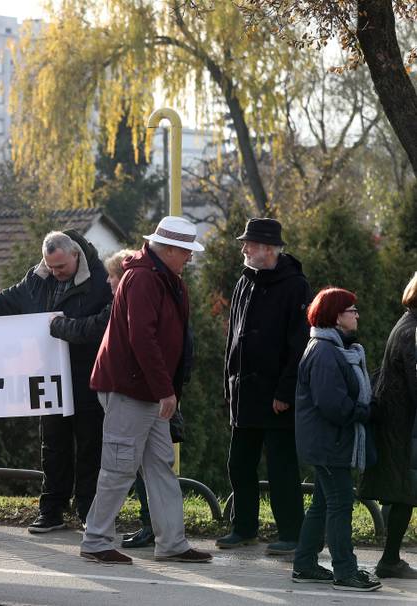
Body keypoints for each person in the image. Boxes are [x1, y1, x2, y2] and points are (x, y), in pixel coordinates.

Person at [0, 230, 112, 533]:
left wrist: (63, 327)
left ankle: (89, 512)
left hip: (87, 379)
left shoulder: (102, 283)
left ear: (76, 255)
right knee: (52, 448)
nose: (55, 273)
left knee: (89, 448)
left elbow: (102, 327)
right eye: (50, 267)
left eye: (61, 267)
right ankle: (52, 511)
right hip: (49, 379)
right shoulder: (36, 280)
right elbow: (2, 302)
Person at [80, 216, 212, 565]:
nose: (190, 257)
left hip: (145, 389)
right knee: (120, 466)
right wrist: (165, 390)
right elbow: (143, 338)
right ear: (168, 249)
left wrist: (165, 390)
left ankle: (172, 543)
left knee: (159, 466)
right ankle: (95, 541)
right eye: (186, 251)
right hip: (131, 389)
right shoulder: (144, 278)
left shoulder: (159, 277)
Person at [49, 249, 156, 548]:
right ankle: (155, 528)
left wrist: (58, 325)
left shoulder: (126, 303)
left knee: (124, 465)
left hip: (133, 394)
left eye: (112, 276)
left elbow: (93, 328)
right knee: (148, 464)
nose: (107, 281)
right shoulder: (134, 299)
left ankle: (99, 534)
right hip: (146, 392)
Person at [219, 218, 310, 555]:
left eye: (250, 244)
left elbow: (299, 344)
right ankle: (243, 528)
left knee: (281, 467)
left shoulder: (296, 286)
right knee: (239, 463)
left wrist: (285, 391)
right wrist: (229, 384)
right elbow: (233, 338)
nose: (244, 249)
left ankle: (291, 533)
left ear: (269, 249)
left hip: (275, 396)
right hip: (244, 393)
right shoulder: (245, 281)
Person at [292, 287, 380, 591]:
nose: (357, 315)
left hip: (331, 441)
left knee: (322, 504)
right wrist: (365, 412)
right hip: (329, 443)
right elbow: (332, 404)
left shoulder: (333, 348)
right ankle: (345, 571)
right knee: (341, 504)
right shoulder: (324, 352)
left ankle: (304, 565)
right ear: (336, 316)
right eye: (351, 310)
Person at [359, 273, 417, 579]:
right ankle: (390, 560)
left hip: (396, 422)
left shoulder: (407, 323)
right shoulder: (413, 331)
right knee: (404, 493)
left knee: (400, 492)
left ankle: (390, 558)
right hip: (402, 426)